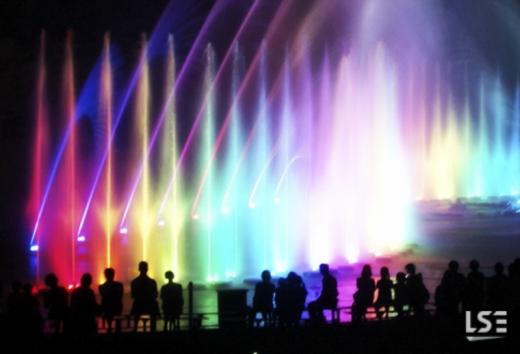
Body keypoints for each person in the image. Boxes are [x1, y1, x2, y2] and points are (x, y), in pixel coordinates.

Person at [131, 261, 159, 331]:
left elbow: (133, 295)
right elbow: (155, 295)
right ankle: (153, 329)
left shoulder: (134, 282)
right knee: (154, 306)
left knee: (136, 305)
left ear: (139, 269)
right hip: (150, 306)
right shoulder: (152, 282)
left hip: (138, 306)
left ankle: (135, 328)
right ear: (147, 269)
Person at [98, 267, 124, 333]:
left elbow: (104, 297)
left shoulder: (101, 287)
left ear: (105, 275)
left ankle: (109, 329)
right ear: (114, 274)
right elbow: (120, 296)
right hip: (117, 307)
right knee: (118, 323)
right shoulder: (119, 285)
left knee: (109, 320)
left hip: (107, 308)